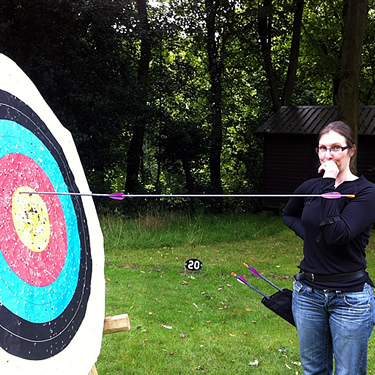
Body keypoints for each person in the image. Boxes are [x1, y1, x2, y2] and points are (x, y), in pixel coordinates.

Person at [282, 121, 375, 375]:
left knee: (348, 372)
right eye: (323, 148)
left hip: (349, 298)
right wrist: (312, 237)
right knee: (313, 370)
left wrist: (330, 184)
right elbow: (289, 215)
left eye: (336, 148)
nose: (328, 155)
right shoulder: (311, 187)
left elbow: (336, 234)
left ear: (351, 150)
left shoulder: (366, 192)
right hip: (307, 295)